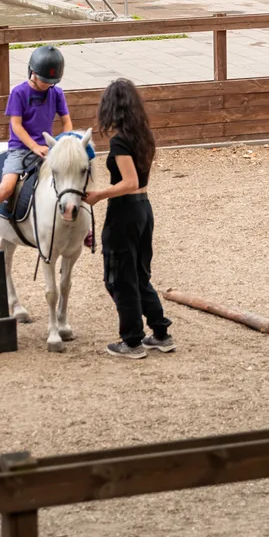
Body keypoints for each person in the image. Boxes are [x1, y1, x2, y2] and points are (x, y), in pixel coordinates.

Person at [86, 78, 174, 359]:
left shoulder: (120, 141)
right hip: (144, 210)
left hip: (124, 211)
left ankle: (132, 340)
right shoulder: (145, 135)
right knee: (139, 274)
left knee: (119, 278)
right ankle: (160, 333)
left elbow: (129, 182)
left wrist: (99, 194)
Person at [0, 45, 72, 247]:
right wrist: (34, 147)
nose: (47, 85)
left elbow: (66, 120)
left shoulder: (56, 93)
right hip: (21, 148)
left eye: (52, 82)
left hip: (47, 148)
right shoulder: (19, 93)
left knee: (71, 179)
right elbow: (16, 125)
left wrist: (64, 143)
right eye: (44, 81)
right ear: (32, 72)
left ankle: (81, 227)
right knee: (7, 187)